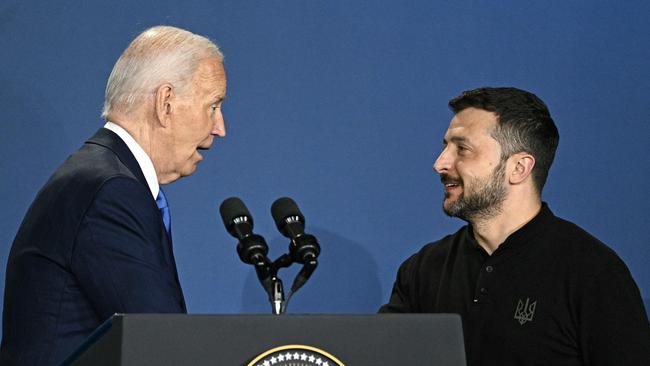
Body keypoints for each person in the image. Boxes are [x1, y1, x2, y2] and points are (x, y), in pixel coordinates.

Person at [1, 26, 227, 365]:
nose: (219, 128)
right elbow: (162, 344)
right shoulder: (111, 191)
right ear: (165, 103)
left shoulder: (102, 177)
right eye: (213, 106)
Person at [380, 87, 649, 366]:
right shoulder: (423, 269)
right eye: (445, 147)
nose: (440, 163)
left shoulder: (593, 273)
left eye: (462, 148)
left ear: (519, 168)